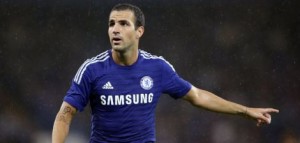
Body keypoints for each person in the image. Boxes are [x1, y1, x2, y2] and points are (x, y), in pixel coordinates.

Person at [52, 3, 279, 143]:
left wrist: (245, 111)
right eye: (111, 24)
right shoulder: (92, 69)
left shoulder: (157, 67)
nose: (115, 29)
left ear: (139, 31)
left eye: (123, 23)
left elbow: (197, 96)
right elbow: (65, 113)